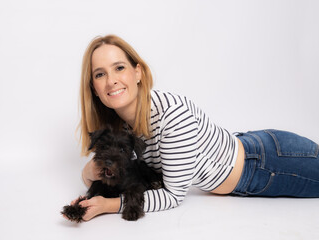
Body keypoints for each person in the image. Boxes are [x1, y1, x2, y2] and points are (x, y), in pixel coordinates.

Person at [68, 34, 319, 221]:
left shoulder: (172, 115)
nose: (111, 80)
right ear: (93, 88)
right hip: (247, 146)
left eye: (119, 68)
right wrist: (91, 176)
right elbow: (119, 176)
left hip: (266, 165)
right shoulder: (119, 129)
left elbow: (173, 196)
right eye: (99, 74)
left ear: (138, 73)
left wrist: (107, 206)